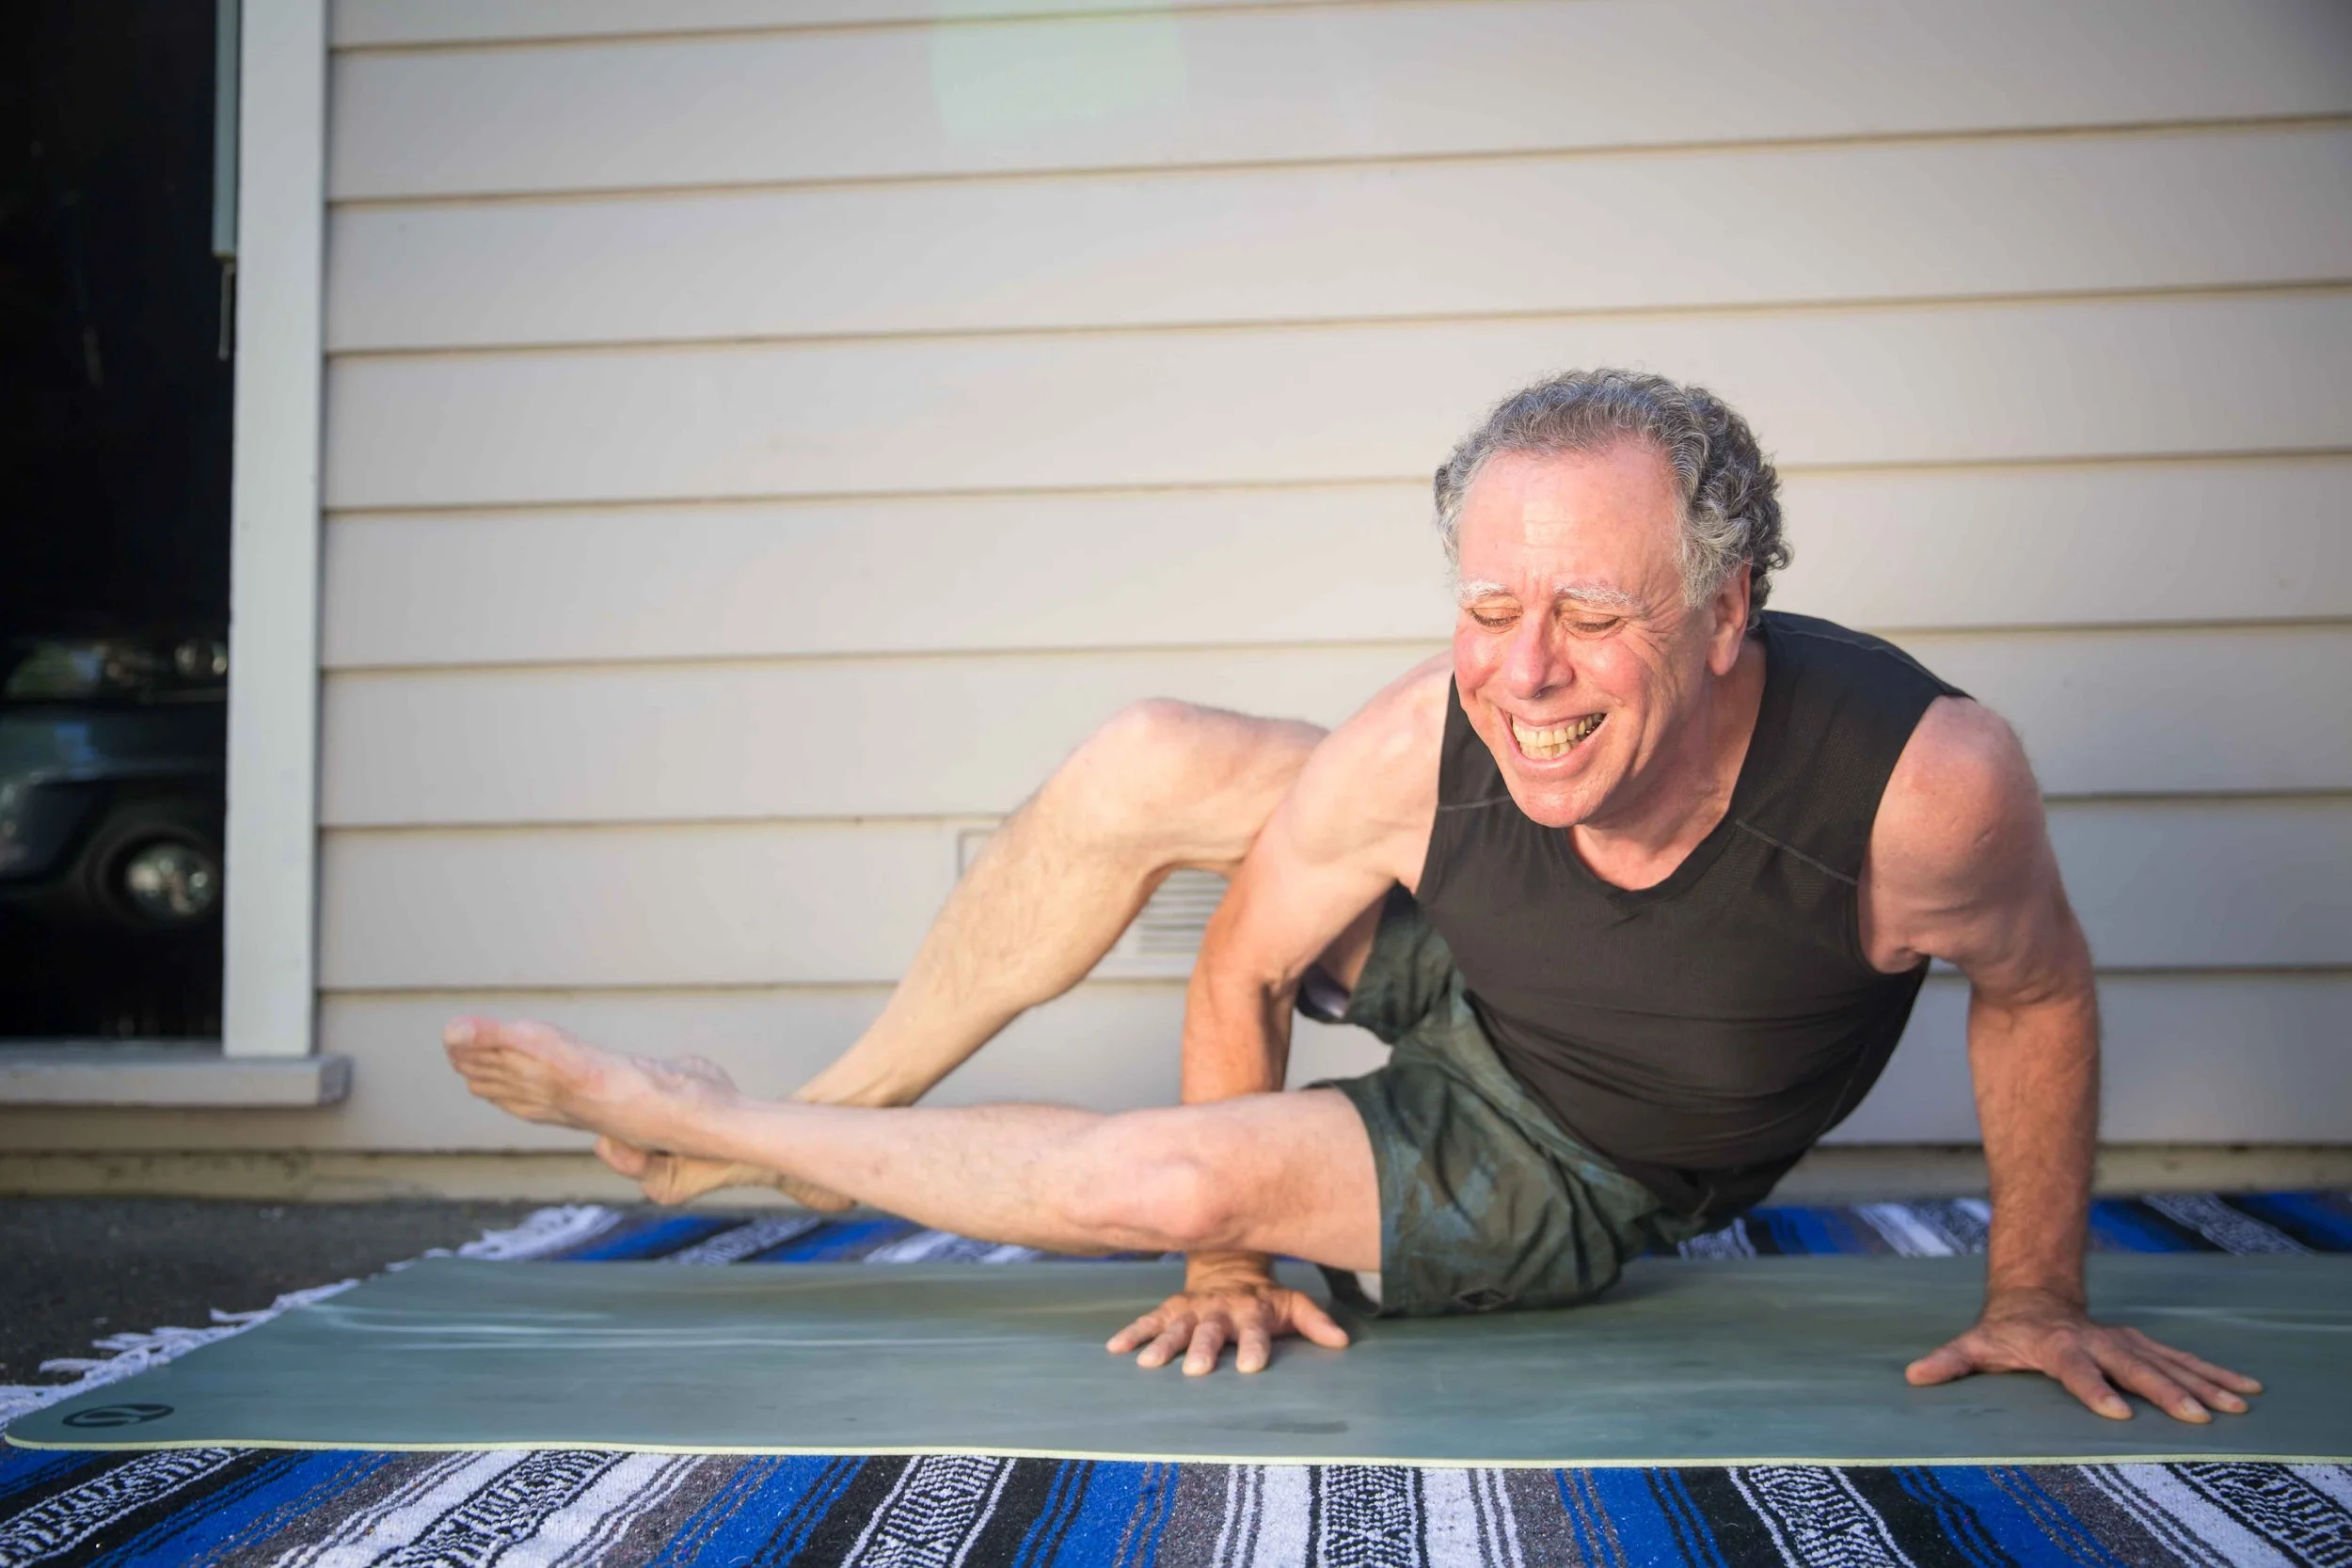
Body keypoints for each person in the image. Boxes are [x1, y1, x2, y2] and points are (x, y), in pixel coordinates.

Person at [448, 369, 2259, 1424]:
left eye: (1593, 613)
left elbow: (2036, 986)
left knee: (1157, 1178)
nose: (1527, 671)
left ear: (1725, 613)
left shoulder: (1923, 788)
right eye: (1491, 607)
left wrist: (2036, 1293)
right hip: (1487, 955)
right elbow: (1241, 966)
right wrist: (1233, 1272)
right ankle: (833, 1124)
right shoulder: (1427, 737)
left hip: (1577, 1148)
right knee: (1153, 755)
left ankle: (714, 1122)